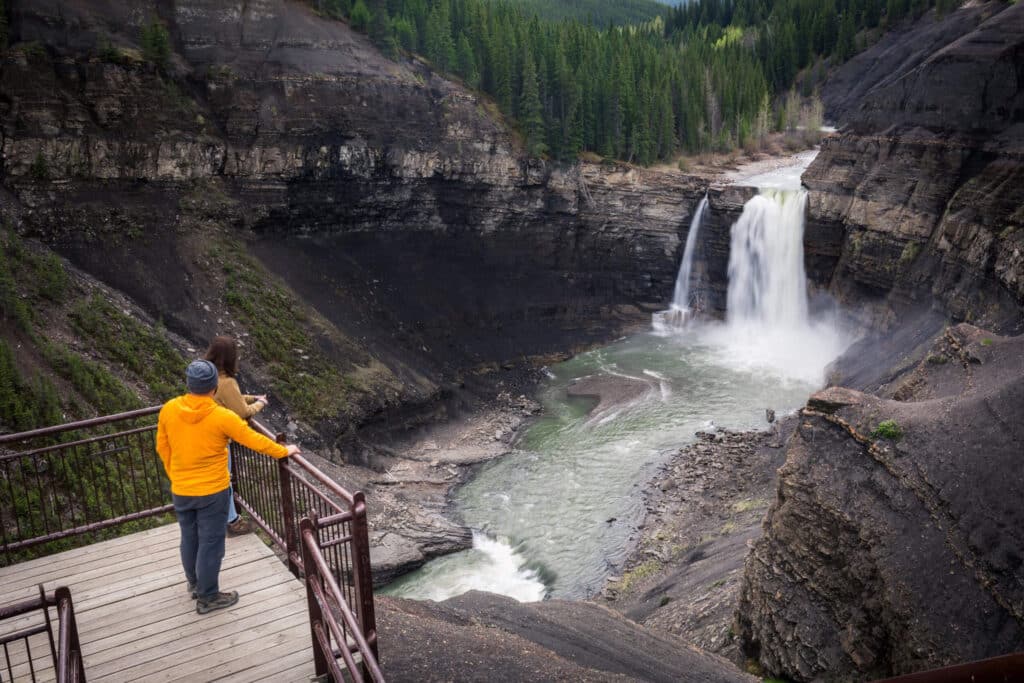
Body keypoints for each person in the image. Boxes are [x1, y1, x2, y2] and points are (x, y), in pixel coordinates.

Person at [156, 359, 300, 615]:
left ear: (189, 384)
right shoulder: (220, 416)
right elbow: (253, 439)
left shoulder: (169, 409)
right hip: (212, 491)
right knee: (211, 542)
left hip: (182, 489)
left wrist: (176, 475)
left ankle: (195, 584)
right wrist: (282, 451)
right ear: (213, 387)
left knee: (189, 537)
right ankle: (208, 597)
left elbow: (162, 447)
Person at [204, 335, 266, 536]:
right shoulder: (227, 381)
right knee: (224, 481)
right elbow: (242, 412)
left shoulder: (208, 375)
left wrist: (251, 397)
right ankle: (232, 521)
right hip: (219, 440)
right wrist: (260, 403)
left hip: (203, 435)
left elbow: (229, 398)